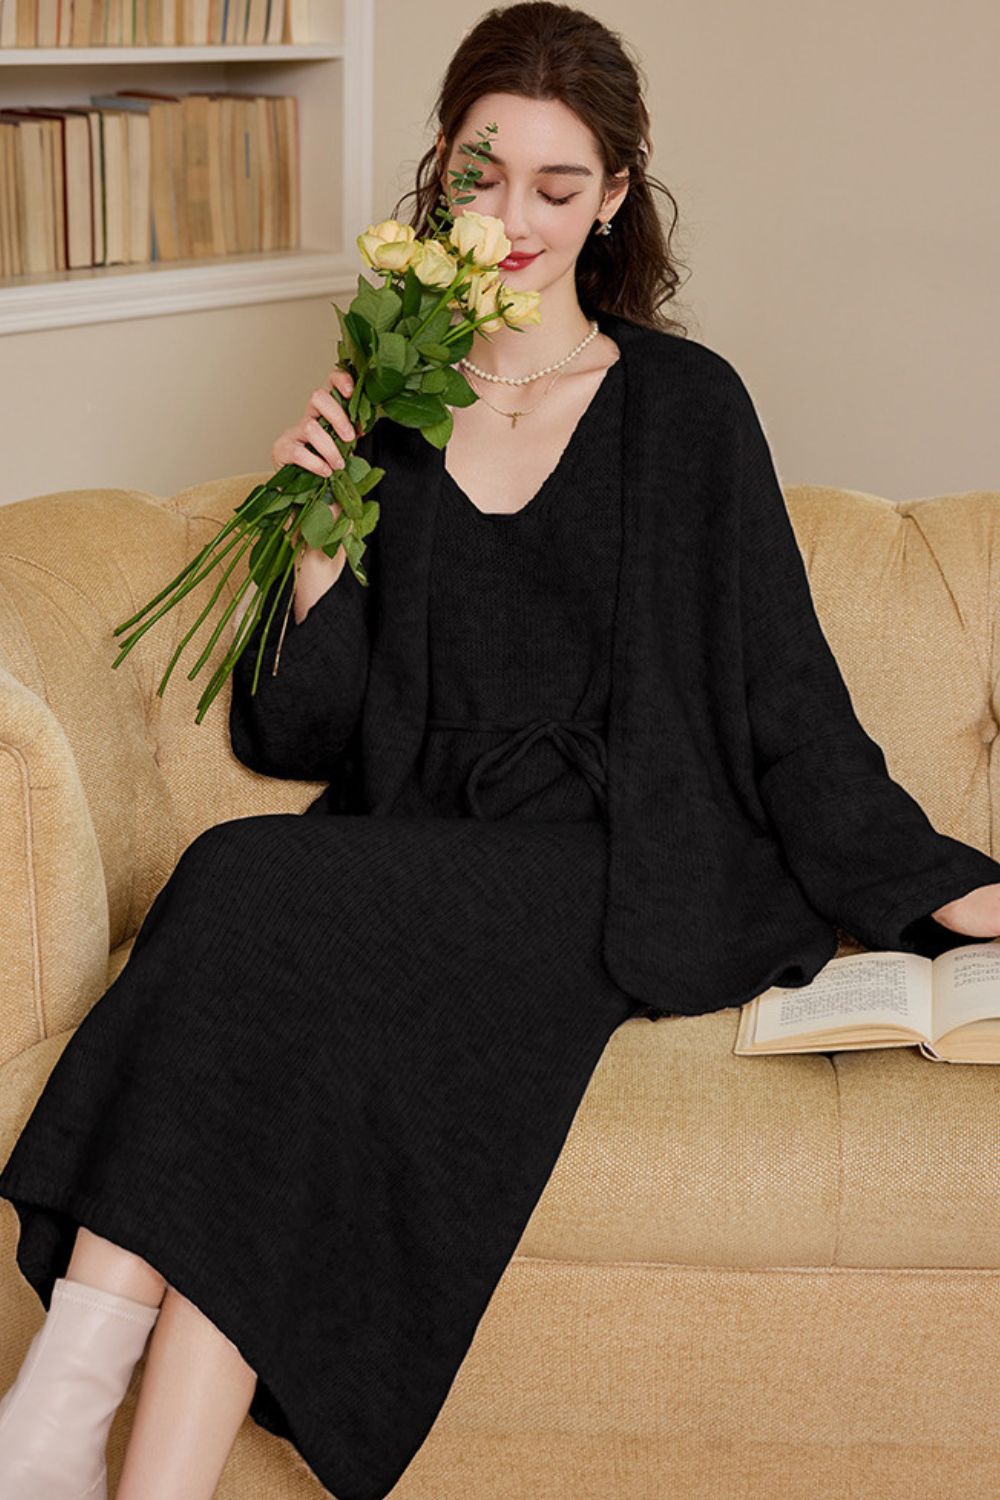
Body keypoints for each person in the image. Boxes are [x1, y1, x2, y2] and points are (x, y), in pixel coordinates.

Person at [3, 5, 998, 1500]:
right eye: (485, 175)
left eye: (557, 183)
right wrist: (319, 550)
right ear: (443, 180)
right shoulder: (396, 398)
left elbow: (791, 709)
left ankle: (53, 1408)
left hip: (617, 860)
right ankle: (104, 1459)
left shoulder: (686, 407)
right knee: (265, 988)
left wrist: (963, 895)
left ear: (612, 199)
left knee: (243, 886)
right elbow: (304, 730)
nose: (516, 217)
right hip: (425, 840)